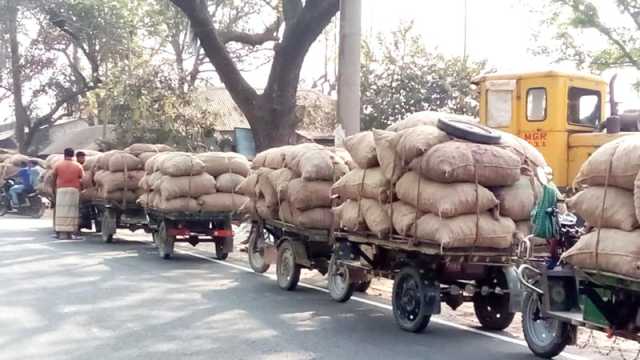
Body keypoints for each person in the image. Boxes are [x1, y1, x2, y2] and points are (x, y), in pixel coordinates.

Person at [52, 147, 84, 239]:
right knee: (72, 211)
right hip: (74, 190)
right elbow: (82, 179)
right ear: (73, 155)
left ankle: (61, 232)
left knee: (61, 211)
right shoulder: (78, 166)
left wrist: (54, 188)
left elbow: (53, 177)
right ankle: (71, 233)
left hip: (61, 189)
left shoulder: (58, 165)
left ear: (64, 155)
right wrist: (82, 189)